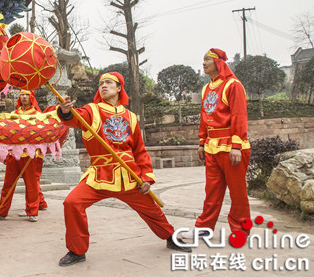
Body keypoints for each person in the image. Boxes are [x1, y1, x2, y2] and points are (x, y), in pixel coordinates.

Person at [56, 72, 191, 267]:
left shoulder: (131, 117)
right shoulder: (91, 110)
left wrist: (146, 177)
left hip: (129, 175)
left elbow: (140, 150)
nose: (103, 86)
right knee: (72, 203)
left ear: (119, 88)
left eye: (109, 83)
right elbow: (74, 119)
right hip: (100, 175)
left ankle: (171, 237)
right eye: (101, 83)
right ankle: (77, 250)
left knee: (152, 210)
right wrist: (66, 111)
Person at [182, 48, 251, 239]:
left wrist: (236, 145)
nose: (203, 63)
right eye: (202, 60)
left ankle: (241, 230)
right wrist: (201, 143)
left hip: (231, 147)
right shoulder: (207, 88)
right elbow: (205, 117)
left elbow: (239, 116)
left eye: (207, 60)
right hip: (212, 147)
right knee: (212, 191)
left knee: (238, 193)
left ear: (219, 63)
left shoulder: (233, 85)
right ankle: (204, 227)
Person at [0, 90, 42, 222]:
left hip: (29, 155)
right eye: (22, 94)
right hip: (13, 154)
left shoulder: (37, 115)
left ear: (32, 96)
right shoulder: (13, 115)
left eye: (27, 94)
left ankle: (32, 211)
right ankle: (1, 211)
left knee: (31, 184)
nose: (24, 97)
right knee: (8, 184)